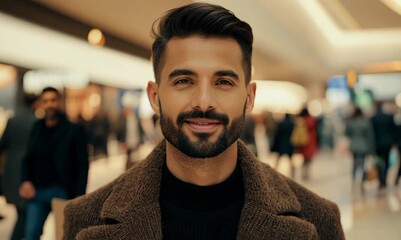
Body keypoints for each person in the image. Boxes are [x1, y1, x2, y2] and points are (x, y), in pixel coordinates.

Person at [63, 3, 344, 239]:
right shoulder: (85, 219)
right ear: (154, 96)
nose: (204, 102)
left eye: (223, 81)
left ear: (249, 97)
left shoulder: (319, 219)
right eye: (184, 81)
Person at [19, 87, 89, 240]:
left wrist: (79, 198)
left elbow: (82, 166)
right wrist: (25, 181)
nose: (49, 104)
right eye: (45, 101)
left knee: (66, 236)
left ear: (59, 102)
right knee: (31, 235)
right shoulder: (36, 128)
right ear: (41, 104)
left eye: (53, 100)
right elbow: (27, 159)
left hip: (63, 192)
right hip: (38, 192)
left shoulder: (74, 130)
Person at [0, 94, 37, 240]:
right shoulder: (36, 122)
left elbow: (2, 145)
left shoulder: (13, 120)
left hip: (12, 170)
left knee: (22, 210)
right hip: (29, 170)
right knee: (25, 211)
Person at [345, 107, 375, 188]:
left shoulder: (351, 122)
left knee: (354, 163)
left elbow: (347, 133)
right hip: (364, 146)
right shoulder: (365, 122)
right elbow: (370, 136)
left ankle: (354, 179)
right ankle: (362, 181)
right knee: (362, 164)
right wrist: (372, 148)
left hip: (354, 145)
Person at [370, 101, 396, 189]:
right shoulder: (389, 117)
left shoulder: (373, 118)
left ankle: (381, 179)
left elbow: (371, 133)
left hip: (377, 144)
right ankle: (384, 178)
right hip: (388, 143)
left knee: (378, 162)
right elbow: (393, 131)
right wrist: (393, 142)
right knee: (387, 162)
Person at [296, 107, 319, 180]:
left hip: (303, 141)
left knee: (304, 159)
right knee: (309, 158)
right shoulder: (312, 119)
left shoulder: (302, 120)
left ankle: (303, 173)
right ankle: (307, 173)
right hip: (311, 140)